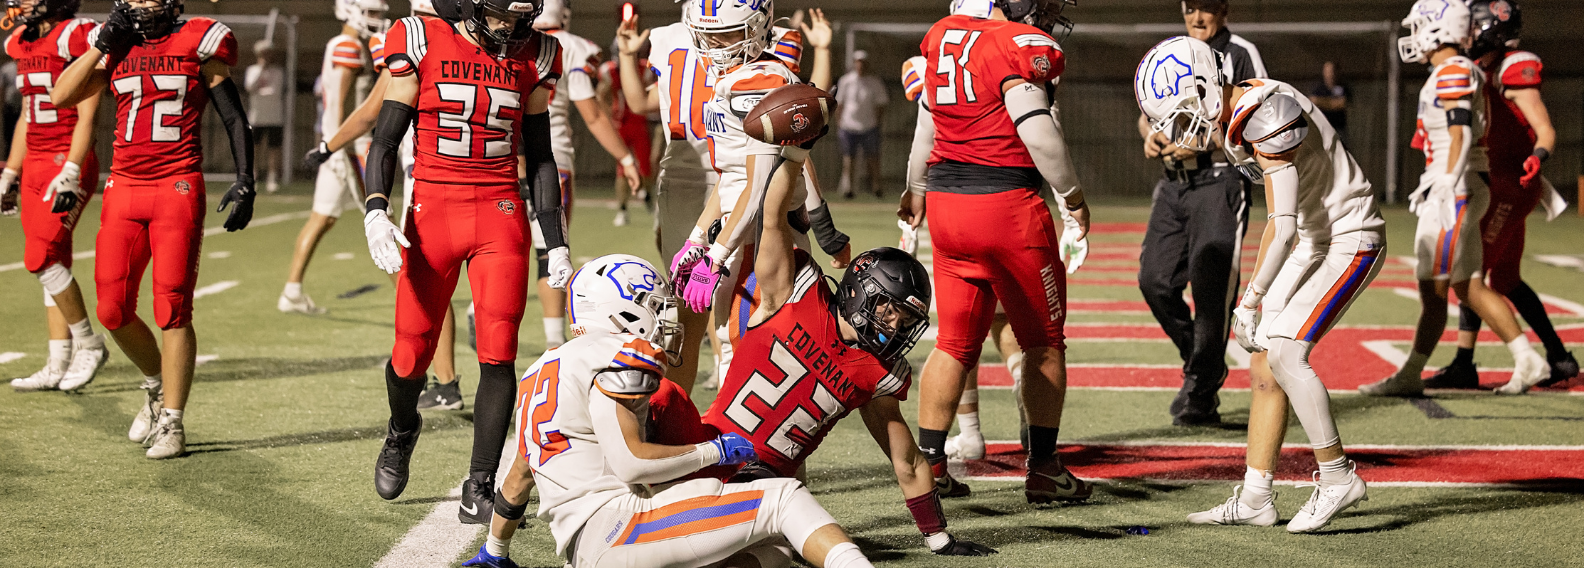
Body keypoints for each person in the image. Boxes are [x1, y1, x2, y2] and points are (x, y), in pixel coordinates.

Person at [465, 256, 885, 568]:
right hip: (619, 531)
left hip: (594, 545)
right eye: (653, 304)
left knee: (771, 553)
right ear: (620, 309)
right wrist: (716, 452)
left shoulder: (543, 370)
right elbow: (631, 465)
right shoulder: (619, 354)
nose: (667, 315)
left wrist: (495, 550)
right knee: (784, 499)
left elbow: (519, 477)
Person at [1138, 36, 1384, 533]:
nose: (1183, 129)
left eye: (1186, 111)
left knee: (1287, 352)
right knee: (1262, 356)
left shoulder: (1264, 112)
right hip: (1318, 238)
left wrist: (1248, 299)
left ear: (1208, 88)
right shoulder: (1239, 110)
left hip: (1348, 237)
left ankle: (1338, 477)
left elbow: (1283, 224)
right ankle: (1256, 496)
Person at [364, 0, 572, 525]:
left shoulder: (538, 53)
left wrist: (556, 239)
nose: (512, 28)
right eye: (504, 14)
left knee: (499, 353)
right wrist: (375, 208)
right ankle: (402, 428)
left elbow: (541, 155)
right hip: (433, 209)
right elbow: (387, 138)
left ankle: (479, 483)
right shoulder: (422, 39)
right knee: (410, 352)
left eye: (521, 16)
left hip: (500, 212)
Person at [901, 0, 1092, 502]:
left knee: (954, 344)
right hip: (1005, 207)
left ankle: (933, 467)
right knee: (1044, 342)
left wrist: (915, 189)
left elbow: (926, 130)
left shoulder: (943, 37)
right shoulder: (1013, 46)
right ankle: (1045, 470)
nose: (1050, 13)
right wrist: (1071, 196)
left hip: (946, 205)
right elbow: (1038, 134)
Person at [54, 0, 256, 459]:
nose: (144, 5)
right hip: (123, 186)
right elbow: (61, 96)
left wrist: (247, 179)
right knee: (111, 309)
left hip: (177, 185)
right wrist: (101, 46)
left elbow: (232, 115)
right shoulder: (115, 44)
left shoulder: (199, 40)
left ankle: (173, 421)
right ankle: (155, 386)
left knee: (172, 307)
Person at [614, 7, 833, 392]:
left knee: (753, 345)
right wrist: (699, 239)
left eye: (728, 34)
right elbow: (731, 175)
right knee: (727, 332)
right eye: (707, 34)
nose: (714, 44)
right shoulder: (731, 76)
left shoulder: (758, 79)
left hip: (757, 231)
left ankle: (755, 445)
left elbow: (759, 185)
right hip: (736, 220)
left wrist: (714, 254)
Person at [1359, 0, 1548, 398]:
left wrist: (1446, 182)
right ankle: (1526, 357)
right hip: (1463, 185)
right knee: (1468, 287)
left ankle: (1412, 374)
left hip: (1456, 189)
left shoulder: (1454, 71)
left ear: (1438, 29)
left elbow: (1459, 131)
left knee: (1436, 291)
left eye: (1421, 26)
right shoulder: (1456, 70)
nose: (1414, 36)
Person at [303, 0, 467, 411]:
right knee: (437, 280)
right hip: (478, 175)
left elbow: (372, 110)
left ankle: (442, 378)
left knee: (424, 279)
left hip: (427, 172)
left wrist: (328, 145)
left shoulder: (413, 40)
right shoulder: (473, 41)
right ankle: (440, 372)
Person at [1422, 0, 1577, 392]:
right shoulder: (1481, 69)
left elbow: (1544, 129)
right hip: (1501, 181)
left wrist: (1539, 155)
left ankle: (1466, 362)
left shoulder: (1512, 66)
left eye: (1475, 27)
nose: (1468, 34)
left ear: (1492, 28)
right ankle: (1560, 358)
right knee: (1504, 277)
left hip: (1511, 184)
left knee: (1470, 276)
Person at [1136, 0, 1265, 426]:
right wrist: (1150, 134)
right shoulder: (1172, 48)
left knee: (1211, 295)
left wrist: (1203, 142)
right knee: (1154, 280)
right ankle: (1203, 365)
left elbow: (1258, 114)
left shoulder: (1241, 53)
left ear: (1224, 10)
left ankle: (1201, 392)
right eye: (1191, 7)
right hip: (1173, 182)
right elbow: (1148, 112)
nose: (1197, 17)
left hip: (1220, 179)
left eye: (1207, 7)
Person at [3, 0, 107, 394]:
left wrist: (72, 170)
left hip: (66, 160)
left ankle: (90, 344)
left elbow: (87, 115)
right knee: (53, 259)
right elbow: (28, 115)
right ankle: (57, 361)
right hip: (35, 162)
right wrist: (11, 172)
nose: (20, 3)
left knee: (40, 257)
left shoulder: (75, 36)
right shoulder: (22, 42)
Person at [531, 0, 643, 350]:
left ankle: (480, 309)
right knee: (550, 252)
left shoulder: (509, 42)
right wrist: (625, 157)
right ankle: (553, 341)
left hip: (503, 158)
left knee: (507, 247)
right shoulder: (573, 48)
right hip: (552, 158)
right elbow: (593, 114)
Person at [278, 0, 387, 315]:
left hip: (337, 143)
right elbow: (339, 101)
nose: (378, 19)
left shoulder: (340, 43)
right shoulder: (349, 46)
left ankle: (292, 291)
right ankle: (408, 304)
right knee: (385, 222)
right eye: (373, 12)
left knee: (323, 217)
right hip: (351, 146)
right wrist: (337, 145)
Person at [597, 38, 658, 227]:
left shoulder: (644, 68)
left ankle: (648, 197)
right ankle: (622, 209)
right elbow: (601, 94)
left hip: (639, 123)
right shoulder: (610, 71)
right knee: (622, 168)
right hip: (621, 125)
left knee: (646, 168)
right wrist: (609, 116)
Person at [833, 49, 887, 199]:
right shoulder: (846, 81)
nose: (860, 65)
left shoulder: (874, 82)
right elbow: (840, 103)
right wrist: (839, 122)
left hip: (869, 125)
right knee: (849, 159)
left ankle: (877, 187)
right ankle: (848, 188)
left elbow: (881, 104)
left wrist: (877, 122)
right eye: (858, 62)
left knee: (873, 158)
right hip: (848, 125)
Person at [244, 39, 285, 193]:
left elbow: (275, 91)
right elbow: (250, 86)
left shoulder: (278, 72)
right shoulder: (252, 70)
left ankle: (272, 177)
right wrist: (261, 69)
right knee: (254, 147)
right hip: (256, 116)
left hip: (274, 116)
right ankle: (252, 176)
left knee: (273, 149)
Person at [1307, 61, 1348, 146]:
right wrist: (1331, 103)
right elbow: (1313, 102)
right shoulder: (1319, 88)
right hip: (1323, 129)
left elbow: (1341, 104)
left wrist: (1322, 102)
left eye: (1331, 71)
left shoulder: (1343, 87)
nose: (1329, 74)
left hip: (1339, 129)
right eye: (1327, 71)